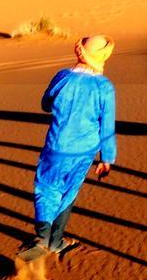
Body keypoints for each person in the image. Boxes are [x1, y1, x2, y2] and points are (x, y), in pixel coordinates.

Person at [19, 34, 116, 260]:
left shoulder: (62, 77)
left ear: (79, 51)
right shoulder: (104, 86)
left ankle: (42, 239)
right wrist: (107, 158)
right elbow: (107, 123)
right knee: (69, 191)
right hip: (85, 151)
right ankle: (56, 241)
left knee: (46, 187)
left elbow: (45, 104)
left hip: (56, 146)